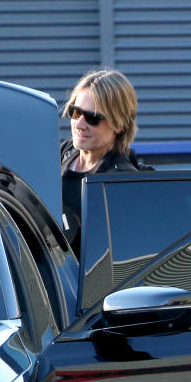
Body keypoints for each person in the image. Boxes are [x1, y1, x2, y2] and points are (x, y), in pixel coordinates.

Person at [60, 69, 150, 257]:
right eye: (75, 112)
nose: (79, 124)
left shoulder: (122, 185)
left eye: (92, 118)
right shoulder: (61, 153)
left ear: (119, 124)